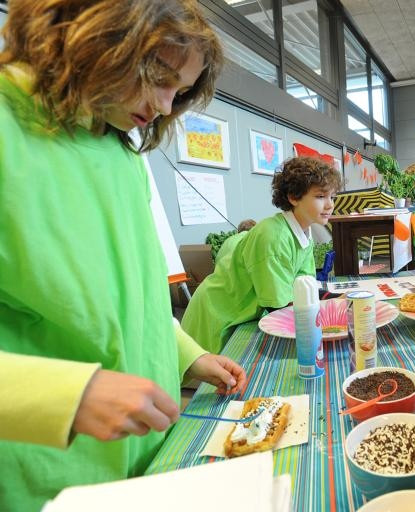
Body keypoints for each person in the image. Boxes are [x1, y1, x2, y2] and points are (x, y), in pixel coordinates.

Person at [0, 1, 247, 509]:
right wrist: (68, 395)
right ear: (96, 33)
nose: (162, 105)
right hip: (50, 479)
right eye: (158, 77)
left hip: (146, 456)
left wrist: (185, 353)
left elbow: (136, 294)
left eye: (177, 93)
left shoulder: (118, 146)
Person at [182, 156, 342, 353]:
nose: (330, 205)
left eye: (332, 197)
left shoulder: (303, 235)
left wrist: (341, 298)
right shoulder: (274, 237)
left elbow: (304, 289)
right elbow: (281, 307)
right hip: (218, 312)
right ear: (293, 197)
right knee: (215, 375)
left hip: (240, 311)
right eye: (320, 196)